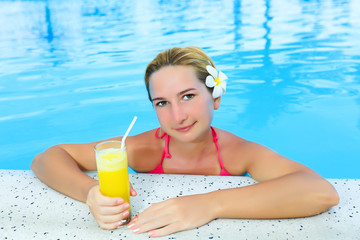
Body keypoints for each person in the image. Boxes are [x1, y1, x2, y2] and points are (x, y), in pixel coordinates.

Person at [31, 46, 339, 238]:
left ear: (214, 98)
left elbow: (320, 192)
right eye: (162, 103)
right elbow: (47, 157)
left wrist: (208, 204)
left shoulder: (238, 153)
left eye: (188, 97)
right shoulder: (143, 149)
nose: (177, 116)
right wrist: (90, 194)